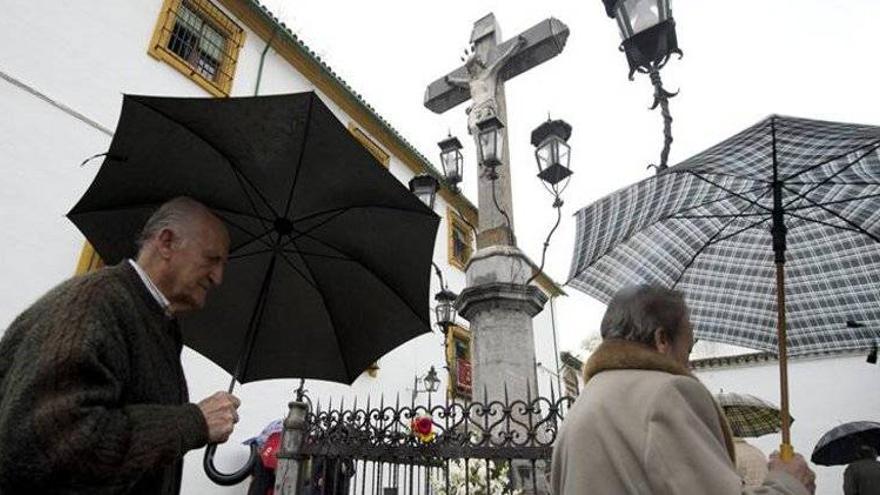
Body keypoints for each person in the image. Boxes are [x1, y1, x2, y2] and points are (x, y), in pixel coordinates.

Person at [0, 197, 241, 494]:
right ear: (166, 243)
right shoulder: (93, 306)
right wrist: (193, 422)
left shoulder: (153, 321)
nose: (218, 278)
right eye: (211, 259)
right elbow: (62, 442)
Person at [551, 285, 816, 495]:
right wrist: (789, 482)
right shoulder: (667, 394)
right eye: (688, 349)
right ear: (662, 339)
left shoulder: (584, 405)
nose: (690, 366)